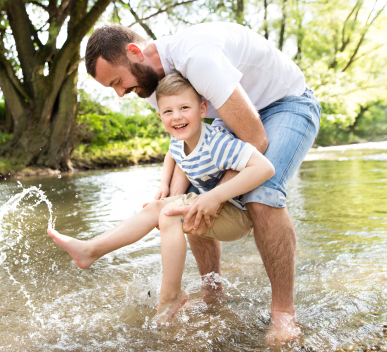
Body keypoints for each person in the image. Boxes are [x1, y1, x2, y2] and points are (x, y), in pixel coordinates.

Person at [84, 22, 321, 344]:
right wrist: (174, 197)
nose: (120, 93)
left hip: (285, 105)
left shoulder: (198, 57)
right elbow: (188, 148)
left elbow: (254, 137)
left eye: (117, 82)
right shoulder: (154, 87)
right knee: (191, 199)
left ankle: (283, 314)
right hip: (232, 119)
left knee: (262, 195)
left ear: (135, 53)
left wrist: (217, 197)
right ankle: (213, 296)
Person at [48, 73, 275, 324]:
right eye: (168, 111)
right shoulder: (179, 141)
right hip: (213, 211)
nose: (176, 116)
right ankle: (90, 250)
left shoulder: (217, 143)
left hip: (236, 215)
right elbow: (172, 155)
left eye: (184, 108)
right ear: (160, 116)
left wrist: (215, 195)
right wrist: (164, 184)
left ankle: (170, 296)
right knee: (158, 207)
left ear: (202, 109)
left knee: (169, 215)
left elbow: (265, 168)